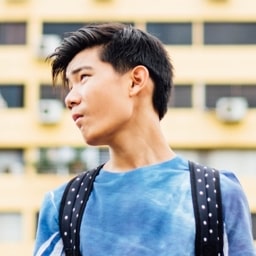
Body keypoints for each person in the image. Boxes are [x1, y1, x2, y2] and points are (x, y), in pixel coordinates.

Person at [34, 23, 255, 256]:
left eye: (84, 77)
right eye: (69, 86)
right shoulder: (63, 205)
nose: (70, 98)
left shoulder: (217, 195)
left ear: (136, 80)